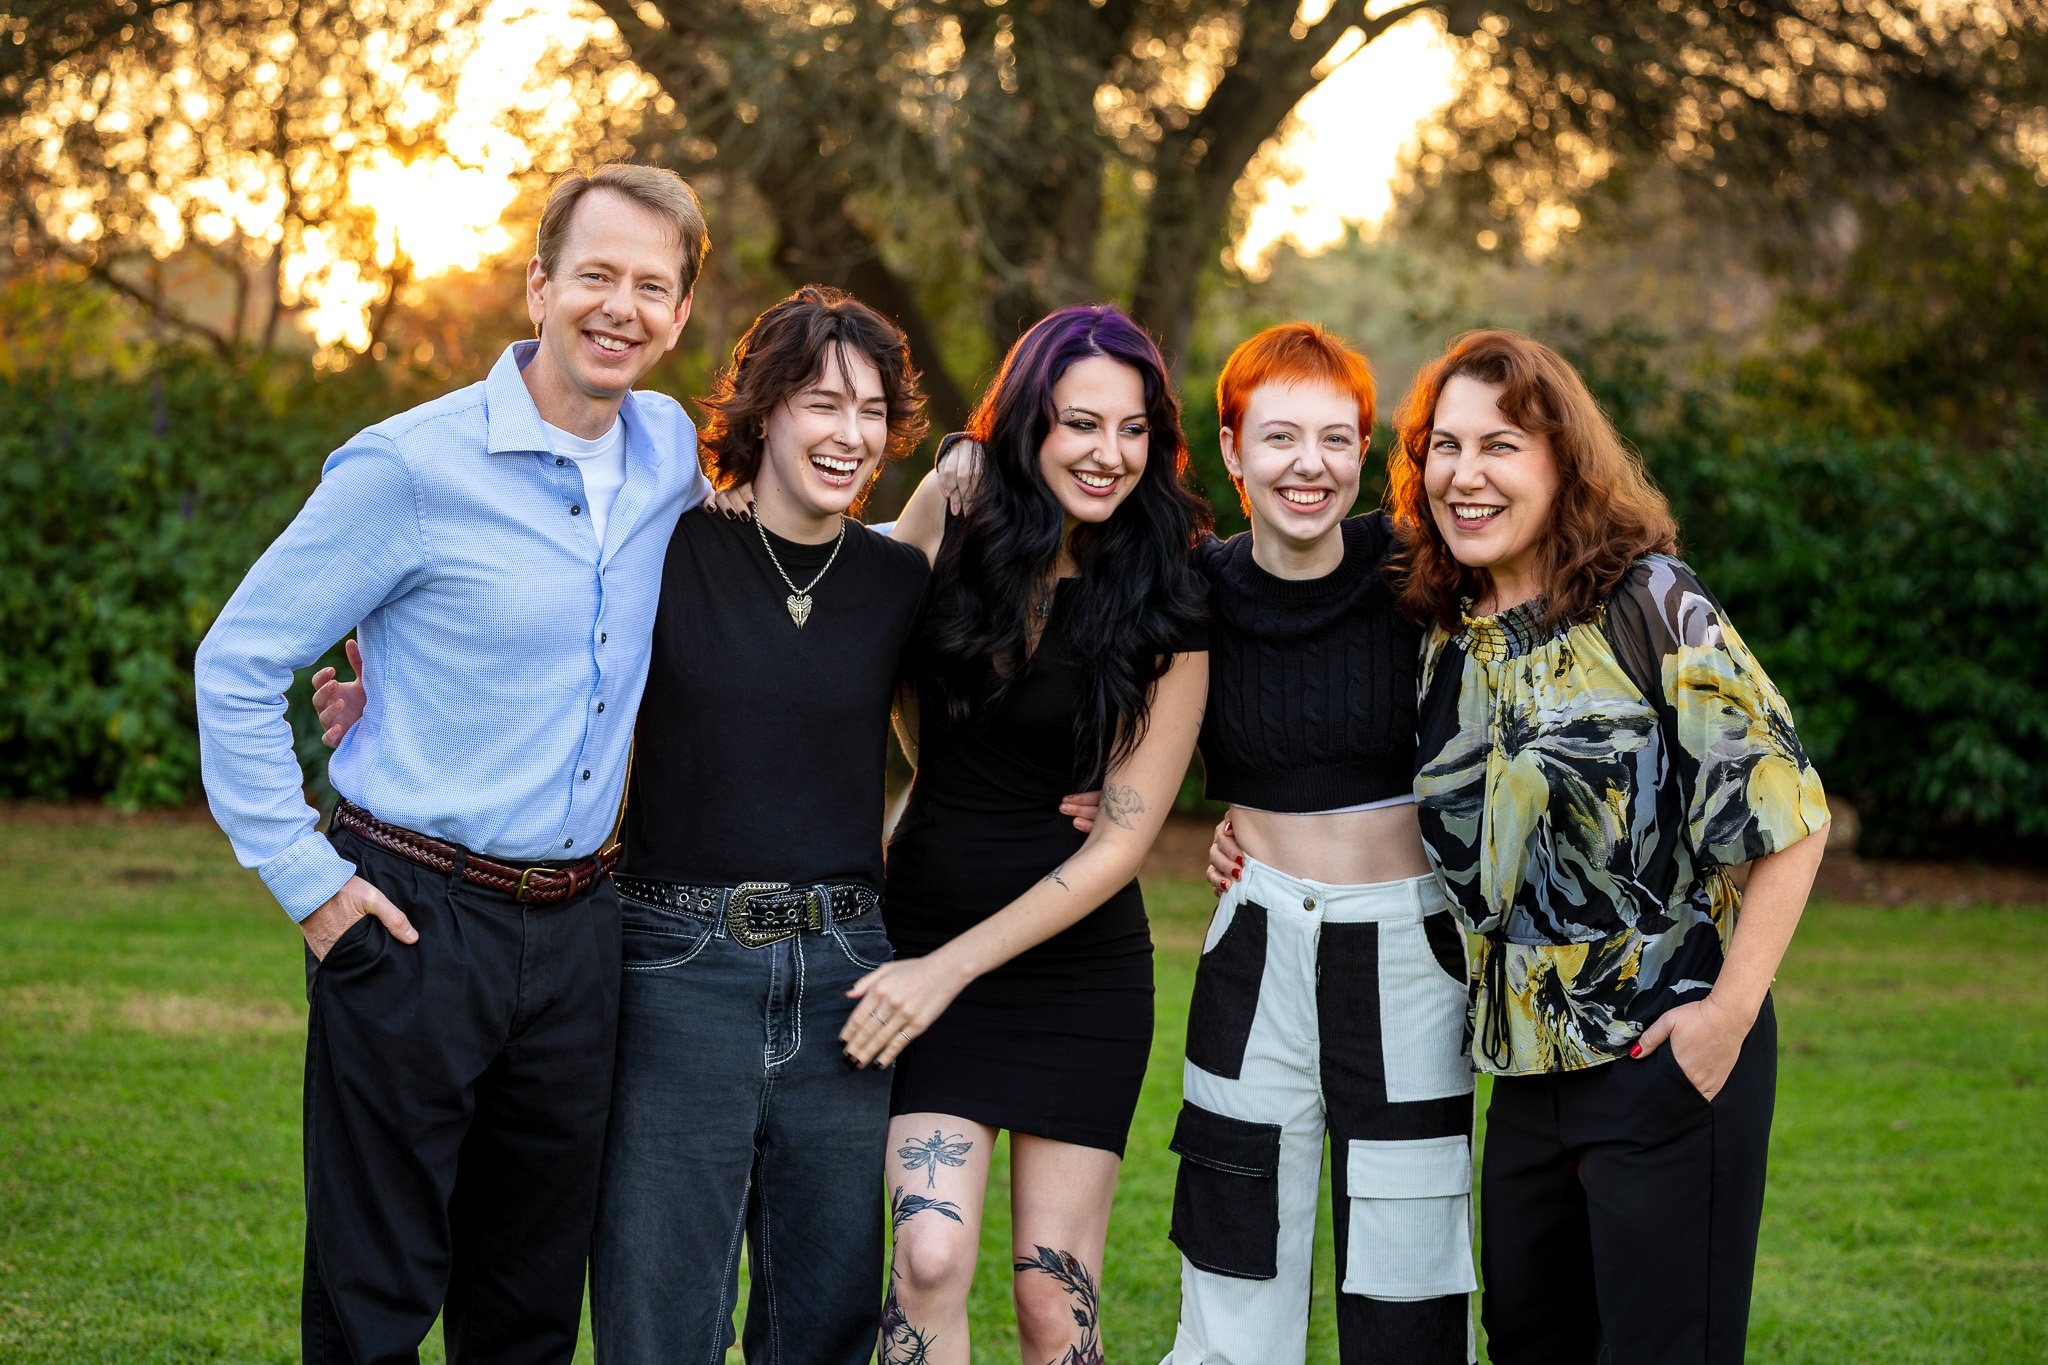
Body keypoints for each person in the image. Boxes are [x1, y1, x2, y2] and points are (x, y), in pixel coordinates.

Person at [193, 163, 711, 1364]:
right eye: (594, 274)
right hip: (410, 921)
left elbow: (794, 555)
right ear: (537, 284)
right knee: (377, 1302)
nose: (618, 307)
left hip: (584, 934)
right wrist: (306, 883)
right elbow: (236, 662)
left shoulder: (673, 455)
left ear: (681, 313)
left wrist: (951, 495)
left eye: (650, 285)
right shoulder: (410, 468)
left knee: (528, 1310)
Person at [1390, 328, 1830, 1363]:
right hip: (1519, 1071)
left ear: (1560, 461)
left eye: (1499, 445)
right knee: (1529, 1342)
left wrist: (1724, 1019)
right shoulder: (1441, 631)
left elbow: (1789, 818)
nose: (1465, 474)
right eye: (1442, 448)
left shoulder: (1648, 600)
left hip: (1662, 1054)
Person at [843, 305, 1210, 1365]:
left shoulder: (1169, 590)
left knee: (1057, 1304)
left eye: (1132, 430)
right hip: (919, 928)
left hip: (1072, 978)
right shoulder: (951, 511)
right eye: (1078, 424)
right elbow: (845, 645)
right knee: (924, 1257)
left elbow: (1119, 845)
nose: (1107, 455)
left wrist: (941, 975)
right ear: (1027, 423)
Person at [1170, 323, 1475, 1365]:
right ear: (1232, 450)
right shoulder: (1190, 587)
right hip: (1254, 948)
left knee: (1408, 1264)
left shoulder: (1425, 574)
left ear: (1362, 448)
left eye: (1335, 440)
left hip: (1405, 952)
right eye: (1280, 437)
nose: (1309, 466)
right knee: (1231, 1246)